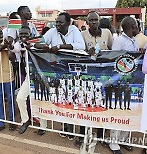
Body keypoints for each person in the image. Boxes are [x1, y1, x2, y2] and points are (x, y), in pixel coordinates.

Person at [35, 12, 85, 138]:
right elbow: (38, 42)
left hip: (72, 71)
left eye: (60, 22)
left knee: (72, 99)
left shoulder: (74, 30)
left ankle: (72, 127)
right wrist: (44, 46)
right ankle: (65, 126)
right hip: (58, 70)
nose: (57, 24)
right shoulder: (52, 31)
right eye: (57, 22)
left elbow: (81, 46)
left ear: (68, 23)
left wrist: (60, 46)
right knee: (62, 98)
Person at [76, 10, 113, 147]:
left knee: (101, 105)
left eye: (95, 20)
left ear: (99, 20)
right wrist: (87, 53)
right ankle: (82, 134)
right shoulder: (82, 34)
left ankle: (101, 135)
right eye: (91, 20)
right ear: (87, 22)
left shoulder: (107, 33)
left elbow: (112, 50)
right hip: (88, 76)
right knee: (84, 104)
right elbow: (79, 53)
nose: (93, 22)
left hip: (104, 76)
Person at [109, 16, 139, 154]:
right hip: (120, 81)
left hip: (131, 81)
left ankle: (123, 140)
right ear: (132, 26)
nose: (138, 28)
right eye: (136, 25)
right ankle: (113, 143)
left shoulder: (134, 40)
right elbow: (115, 59)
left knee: (128, 111)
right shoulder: (119, 40)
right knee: (118, 112)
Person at [9, 25, 32, 134]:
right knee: (20, 98)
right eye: (21, 34)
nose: (23, 36)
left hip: (40, 75)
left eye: (26, 34)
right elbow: (15, 48)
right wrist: (10, 45)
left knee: (39, 101)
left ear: (30, 34)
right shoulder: (19, 44)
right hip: (29, 76)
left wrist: (32, 46)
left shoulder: (37, 42)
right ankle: (25, 120)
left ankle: (43, 126)